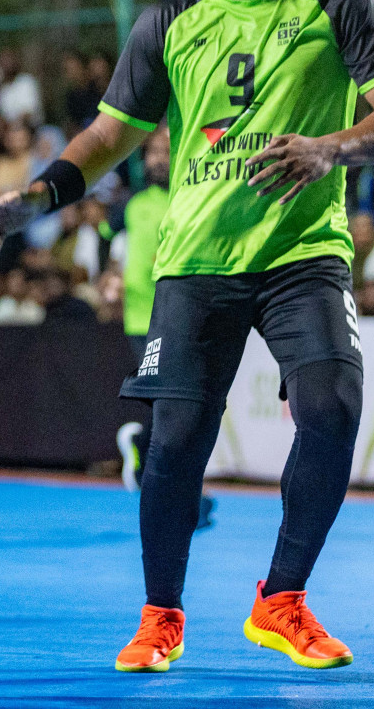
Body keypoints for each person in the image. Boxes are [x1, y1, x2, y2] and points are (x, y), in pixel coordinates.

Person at [0, 0, 374, 673]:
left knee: (334, 406)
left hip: (302, 253)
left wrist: (330, 148)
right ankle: (159, 617)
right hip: (197, 260)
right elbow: (109, 136)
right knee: (175, 443)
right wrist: (32, 200)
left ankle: (281, 601)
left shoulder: (335, 6)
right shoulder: (167, 23)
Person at [114, 128, 214, 530]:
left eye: (166, 152)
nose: (157, 158)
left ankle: (149, 458)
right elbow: (119, 248)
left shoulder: (195, 198)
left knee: (181, 409)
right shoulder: (133, 204)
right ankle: (181, 498)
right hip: (142, 320)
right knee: (174, 408)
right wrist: (109, 278)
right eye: (152, 151)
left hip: (184, 312)